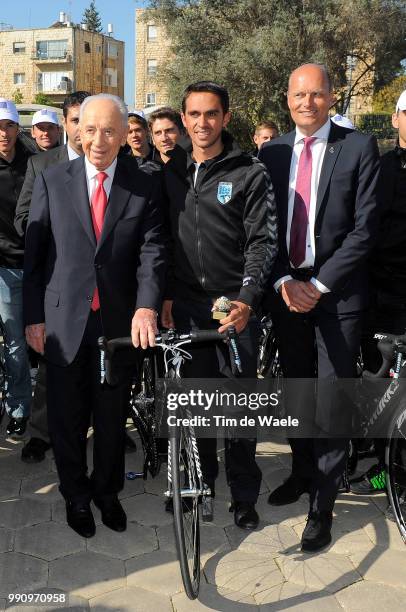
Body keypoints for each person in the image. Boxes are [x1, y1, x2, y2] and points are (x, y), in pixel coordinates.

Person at [23, 93, 166, 538]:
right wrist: (33, 318)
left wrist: (146, 304)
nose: (99, 140)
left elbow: (152, 251)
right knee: (66, 418)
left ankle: (107, 494)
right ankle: (76, 496)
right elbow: (36, 256)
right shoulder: (53, 179)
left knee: (110, 416)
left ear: (125, 135)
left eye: (109, 130)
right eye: (90, 129)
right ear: (77, 131)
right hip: (63, 322)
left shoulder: (143, 184)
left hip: (119, 324)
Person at [259, 63, 380, 552]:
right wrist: (287, 281)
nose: (306, 102)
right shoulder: (271, 153)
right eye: (297, 94)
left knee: (330, 400)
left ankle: (322, 506)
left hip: (339, 295)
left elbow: (365, 229)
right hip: (287, 292)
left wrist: (321, 284)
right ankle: (303, 472)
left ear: (331, 97)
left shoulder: (358, 148)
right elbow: (263, 228)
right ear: (286, 99)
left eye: (316, 93)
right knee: (298, 391)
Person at [161, 81, 278, 530]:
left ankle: (245, 495)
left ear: (226, 118)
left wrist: (247, 300)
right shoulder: (168, 172)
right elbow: (163, 243)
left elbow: (262, 242)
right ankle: (199, 482)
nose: (202, 123)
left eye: (212, 114)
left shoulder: (249, 172)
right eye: (194, 114)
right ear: (184, 120)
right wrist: (167, 295)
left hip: (235, 308)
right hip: (188, 308)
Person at [15, 91, 90, 464]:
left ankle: (96, 427)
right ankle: (41, 433)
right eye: (75, 120)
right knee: (51, 366)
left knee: (99, 364)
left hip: (97, 289)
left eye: (88, 120)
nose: (82, 129)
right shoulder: (42, 164)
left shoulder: (113, 161)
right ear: (65, 123)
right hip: (55, 281)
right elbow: (23, 217)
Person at [351, 90, 406, 495]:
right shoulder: (380, 168)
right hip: (381, 300)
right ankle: (382, 467)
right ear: (395, 119)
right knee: (380, 387)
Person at [0, 99, 34, 437]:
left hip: (33, 264)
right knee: (14, 342)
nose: (3, 132)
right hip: (3, 268)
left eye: (8, 125)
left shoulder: (33, 163)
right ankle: (18, 406)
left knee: (25, 342)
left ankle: (26, 407)